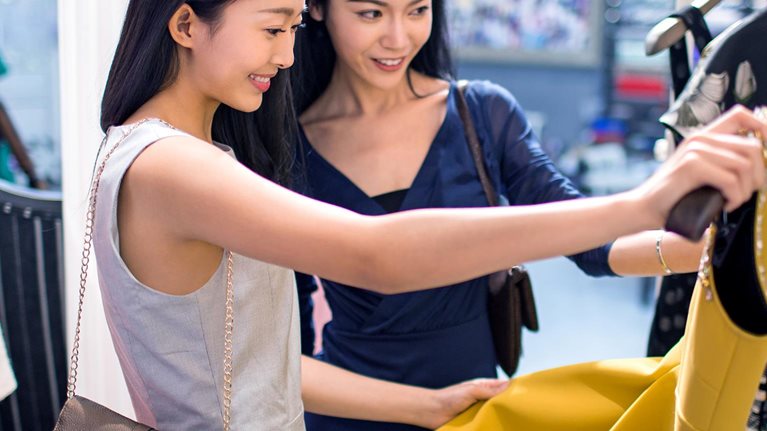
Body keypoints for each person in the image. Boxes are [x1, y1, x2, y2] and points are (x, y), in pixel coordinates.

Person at [95, 0, 765, 429]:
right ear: (185, 25)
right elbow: (376, 254)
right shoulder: (182, 166)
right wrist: (640, 202)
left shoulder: (177, 154)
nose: (287, 53)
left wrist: (427, 407)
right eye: (274, 28)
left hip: (439, 400)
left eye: (290, 29)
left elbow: (261, 360)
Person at [288, 0, 731, 428]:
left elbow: (593, 245)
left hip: (477, 413)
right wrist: (420, 407)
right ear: (318, 7)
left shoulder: (480, 114)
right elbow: (287, 348)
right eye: (371, 13)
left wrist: (714, 250)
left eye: (418, 10)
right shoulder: (289, 147)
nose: (399, 38)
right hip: (353, 416)